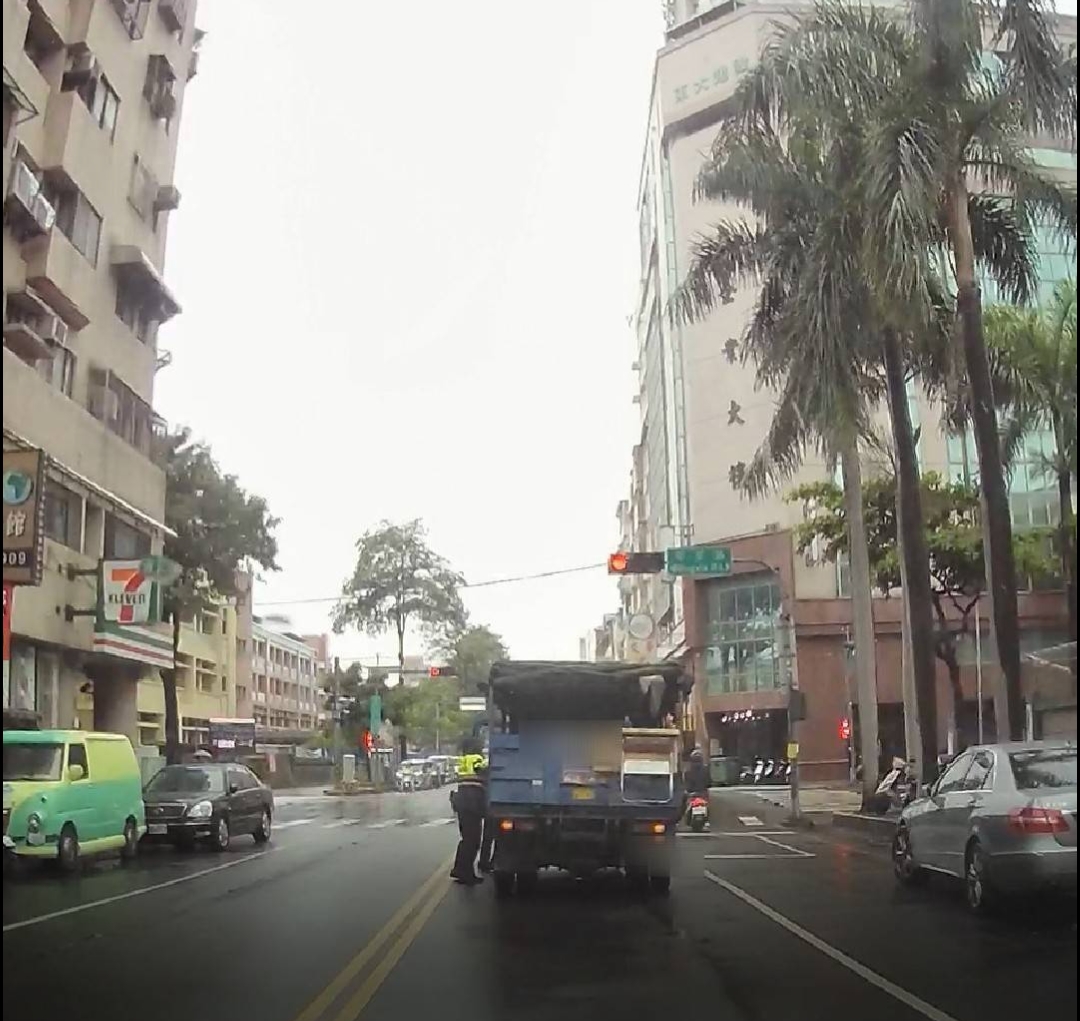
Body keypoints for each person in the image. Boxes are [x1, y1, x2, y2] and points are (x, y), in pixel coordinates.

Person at [451, 741, 487, 885]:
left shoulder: (464, 761)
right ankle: (464, 872)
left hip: (462, 803)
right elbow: (484, 772)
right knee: (473, 841)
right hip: (472, 804)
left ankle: (461, 869)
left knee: (466, 840)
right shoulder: (477, 760)